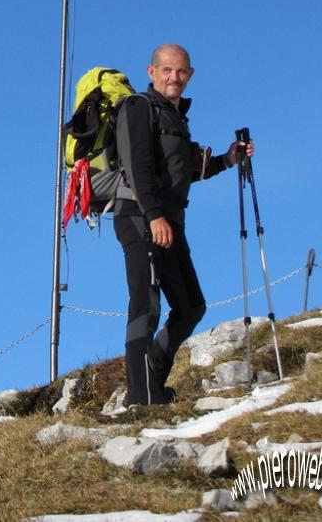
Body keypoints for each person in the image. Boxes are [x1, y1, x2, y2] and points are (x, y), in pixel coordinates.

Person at [114, 44, 253, 407]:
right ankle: (142, 397)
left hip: (170, 221)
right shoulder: (138, 107)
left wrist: (228, 158)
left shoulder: (175, 117)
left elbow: (186, 171)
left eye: (181, 71)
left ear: (190, 75)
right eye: (167, 70)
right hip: (140, 217)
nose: (174, 77)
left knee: (191, 305)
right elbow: (137, 166)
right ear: (151, 72)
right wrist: (154, 215)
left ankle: (153, 376)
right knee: (146, 305)